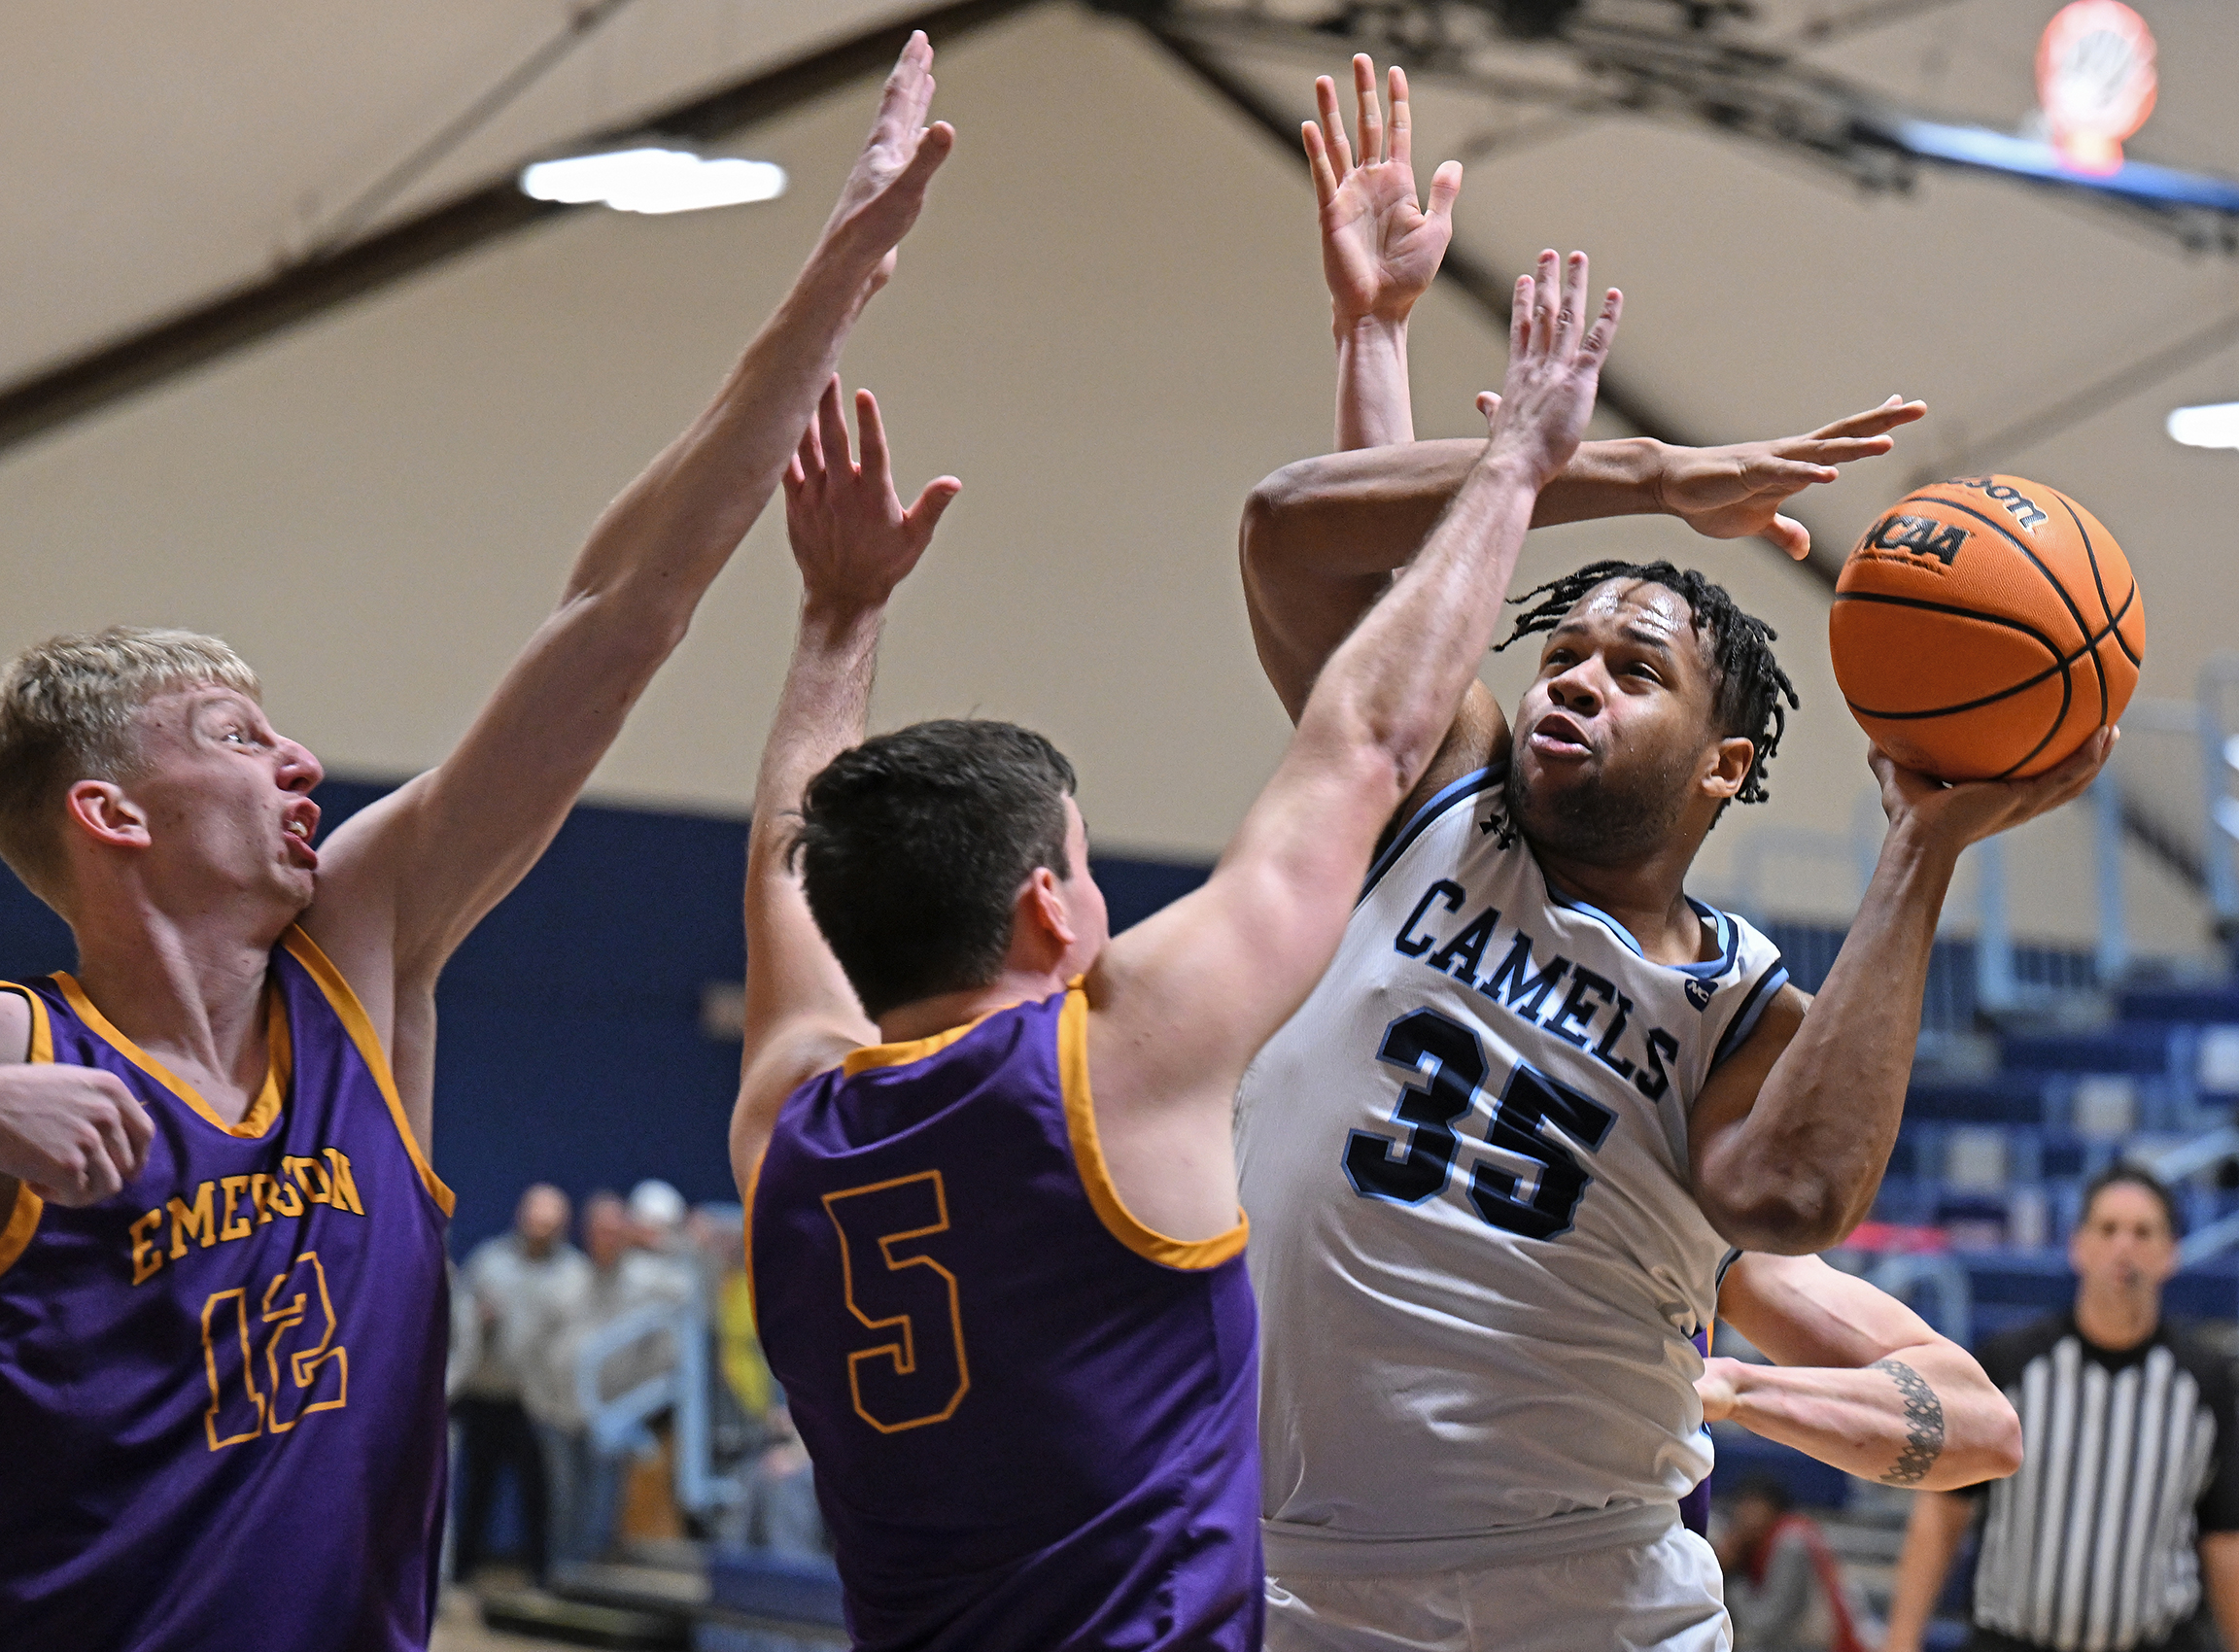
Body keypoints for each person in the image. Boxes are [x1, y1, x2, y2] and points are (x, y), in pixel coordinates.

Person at [0, 36, 954, 1649]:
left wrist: (834, 287)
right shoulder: (25, 1049)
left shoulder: (357, 959)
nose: (299, 758)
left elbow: (615, 615)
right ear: (113, 815)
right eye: (238, 740)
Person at [1228, 56, 2113, 1650]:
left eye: (1630, 671)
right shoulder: (1432, 812)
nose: (1571, 678)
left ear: (1720, 767)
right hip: (1301, 1586)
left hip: (1589, 1601)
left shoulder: (1732, 1005)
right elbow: (1314, 540)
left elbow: (1787, 1195)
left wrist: (1918, 848)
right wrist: (1380, 344)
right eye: (1559, 651)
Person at [729, 228, 1630, 1646]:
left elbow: (790, 863)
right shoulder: (1112, 1061)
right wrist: (1515, 459)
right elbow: (1370, 738)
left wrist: (838, 618)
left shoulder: (788, 1116)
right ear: (1046, 908)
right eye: (1082, 866)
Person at [1883, 1165, 2239, 1652]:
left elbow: (2224, 1540)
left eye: (2143, 1232)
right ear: (2078, 1245)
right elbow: (1942, 1516)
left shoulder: (2205, 1383)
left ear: (2169, 1253)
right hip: (2011, 1639)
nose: (2124, 1247)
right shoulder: (2009, 1365)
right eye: (2108, 1229)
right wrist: (1901, 1640)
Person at [453, 1183, 590, 1584]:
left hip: (538, 1403)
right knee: (476, 1490)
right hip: (484, 1393)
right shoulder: (489, 1259)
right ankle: (462, 1573)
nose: (540, 1228)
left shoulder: (574, 1273)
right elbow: (459, 1313)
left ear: (562, 1225)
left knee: (541, 1492)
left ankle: (543, 1574)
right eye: (535, 1218)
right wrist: (479, 1319)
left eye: (549, 1221)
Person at [1714, 1475, 1868, 1652]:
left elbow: (1761, 1624)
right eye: (1741, 1506)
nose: (1745, 1515)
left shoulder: (1790, 1543)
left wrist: (1732, 1572)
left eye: (1753, 1506)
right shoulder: (1762, 1543)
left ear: (1773, 1507)